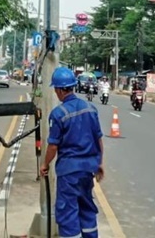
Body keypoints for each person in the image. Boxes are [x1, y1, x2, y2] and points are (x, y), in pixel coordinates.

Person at [40, 67, 104, 238]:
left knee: (67, 214)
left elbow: (53, 146)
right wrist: (100, 163)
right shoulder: (90, 109)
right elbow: (98, 139)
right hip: (87, 171)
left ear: (60, 90)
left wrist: (45, 164)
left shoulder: (58, 114)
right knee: (86, 209)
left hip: (69, 173)